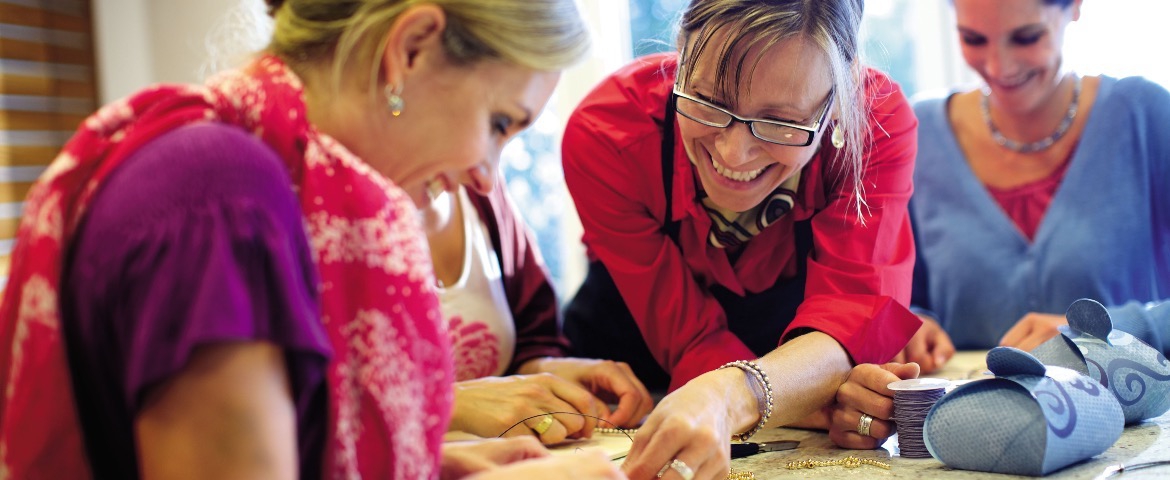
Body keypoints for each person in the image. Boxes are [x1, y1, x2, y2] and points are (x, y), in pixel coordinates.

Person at [0, 0, 625, 479]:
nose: (489, 173)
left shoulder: (253, 179)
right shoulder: (219, 199)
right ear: (410, 47)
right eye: (498, 124)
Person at [561, 0, 923, 478]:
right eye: (709, 103)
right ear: (680, 56)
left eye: (781, 123)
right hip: (632, 390)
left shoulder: (875, 125)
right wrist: (807, 389)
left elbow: (853, 312)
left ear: (839, 97)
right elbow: (689, 338)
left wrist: (745, 395)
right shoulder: (609, 131)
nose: (734, 152)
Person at [903, 0, 1170, 373]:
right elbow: (903, 298)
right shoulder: (919, 136)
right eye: (973, 39)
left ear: (1074, 7)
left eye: (1027, 37)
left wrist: (1102, 331)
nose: (999, 67)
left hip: (1134, 426)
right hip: (974, 421)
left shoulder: (1147, 117)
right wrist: (911, 326)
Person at [422, 183, 652, 443]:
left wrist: (544, 370)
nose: (487, 176)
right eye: (492, 139)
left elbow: (531, 336)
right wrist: (452, 404)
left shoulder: (481, 193)